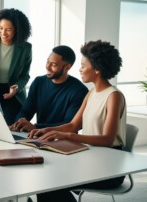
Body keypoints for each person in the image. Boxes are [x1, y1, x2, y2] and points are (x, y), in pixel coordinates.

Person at [28, 40, 126, 202]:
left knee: (49, 179)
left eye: (83, 65)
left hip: (110, 167)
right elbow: (73, 125)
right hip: (90, 158)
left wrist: (68, 136)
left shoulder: (113, 96)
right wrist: (46, 130)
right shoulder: (91, 93)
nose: (79, 69)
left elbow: (108, 140)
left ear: (96, 70)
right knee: (45, 175)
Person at [10, 45, 88, 132]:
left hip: (63, 141)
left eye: (54, 64)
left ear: (67, 67)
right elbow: (26, 111)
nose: (47, 67)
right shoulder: (38, 82)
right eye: (48, 62)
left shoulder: (79, 91)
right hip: (37, 137)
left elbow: (70, 125)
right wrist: (20, 122)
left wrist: (36, 127)